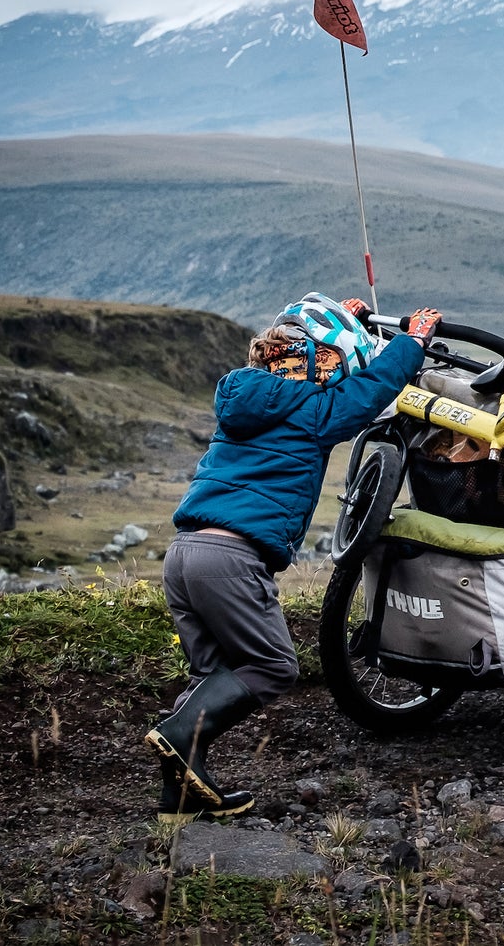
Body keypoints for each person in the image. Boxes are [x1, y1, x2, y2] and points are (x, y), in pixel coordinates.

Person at [146, 295, 440, 822]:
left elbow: (327, 374)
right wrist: (411, 343)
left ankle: (181, 795)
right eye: (327, 365)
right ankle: (175, 734)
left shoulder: (242, 401)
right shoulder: (312, 411)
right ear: (314, 364)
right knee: (273, 666)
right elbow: (370, 392)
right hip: (231, 560)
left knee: (214, 673)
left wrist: (343, 320)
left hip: (184, 555)